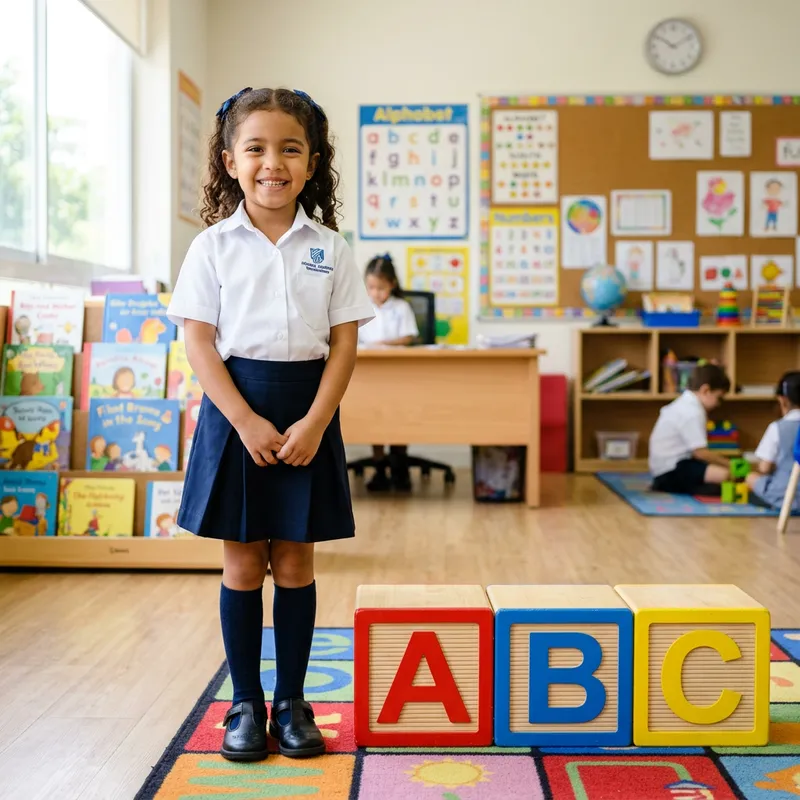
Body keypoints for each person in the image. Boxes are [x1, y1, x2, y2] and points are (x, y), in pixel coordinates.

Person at [166, 87, 373, 763]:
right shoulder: (212, 248)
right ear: (230, 161)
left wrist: (316, 420)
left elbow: (343, 344)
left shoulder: (333, 248)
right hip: (237, 412)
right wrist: (245, 419)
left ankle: (291, 702)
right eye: (255, 148)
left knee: (295, 558)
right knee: (243, 560)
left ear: (312, 163)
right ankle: (245, 704)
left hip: (307, 411)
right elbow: (199, 341)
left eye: (290, 149)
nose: (272, 163)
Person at [357, 254, 419, 491]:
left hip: (398, 372)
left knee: (399, 414)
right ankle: (379, 465)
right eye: (371, 287)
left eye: (381, 288)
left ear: (392, 285)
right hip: (370, 373)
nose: (375, 293)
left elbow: (408, 336)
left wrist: (385, 344)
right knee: (375, 416)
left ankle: (399, 466)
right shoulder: (362, 307)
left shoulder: (401, 307)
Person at [648, 363, 731, 494]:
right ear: (705, 390)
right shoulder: (693, 412)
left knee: (714, 473)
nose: (719, 404)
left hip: (666, 468)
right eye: (718, 398)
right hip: (672, 470)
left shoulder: (684, 403)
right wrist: (729, 464)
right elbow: (701, 453)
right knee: (725, 475)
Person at [747, 371, 800, 510]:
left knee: (751, 478)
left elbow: (764, 468)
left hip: (784, 493)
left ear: (782, 400)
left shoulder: (777, 427)